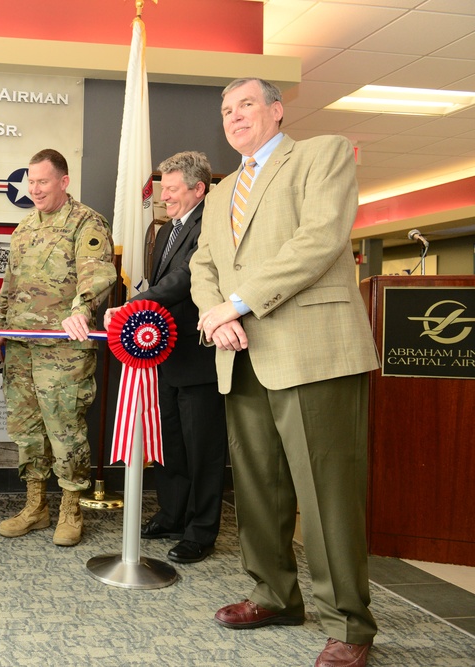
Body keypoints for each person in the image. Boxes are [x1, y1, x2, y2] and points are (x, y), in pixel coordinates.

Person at [190, 78, 379, 667]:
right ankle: (273, 593)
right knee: (256, 487)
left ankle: (348, 624)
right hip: (240, 352)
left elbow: (319, 240)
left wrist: (237, 301)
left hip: (313, 351)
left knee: (327, 495)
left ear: (276, 110)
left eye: (246, 104)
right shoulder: (220, 193)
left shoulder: (321, 153)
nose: (234, 115)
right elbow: (203, 264)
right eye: (225, 109)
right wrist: (213, 315)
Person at [104, 151, 227, 564]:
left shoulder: (211, 225)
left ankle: (201, 531)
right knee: (171, 443)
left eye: (172, 191)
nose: (164, 198)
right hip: (168, 357)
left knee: (203, 450)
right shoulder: (165, 230)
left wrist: (131, 306)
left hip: (200, 357)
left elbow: (186, 279)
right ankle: (173, 515)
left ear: (198, 189)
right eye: (163, 190)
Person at [0, 149, 116, 547]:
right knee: (27, 429)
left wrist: (81, 308)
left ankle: (71, 508)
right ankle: (36, 506)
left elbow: (97, 275)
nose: (35, 189)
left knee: (65, 430)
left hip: (62, 351)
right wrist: (0, 327)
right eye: (31, 182)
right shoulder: (25, 227)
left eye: (42, 182)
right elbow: (8, 286)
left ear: (63, 182)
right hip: (21, 348)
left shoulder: (86, 222)